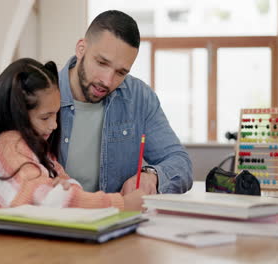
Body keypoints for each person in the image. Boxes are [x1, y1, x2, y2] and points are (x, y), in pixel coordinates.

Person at [0, 58, 145, 230]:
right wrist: (122, 204)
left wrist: (65, 187)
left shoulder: (39, 151)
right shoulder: (10, 145)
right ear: (18, 113)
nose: (55, 125)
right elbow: (51, 201)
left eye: (56, 114)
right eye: (45, 117)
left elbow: (67, 185)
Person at [58, 10, 193, 195]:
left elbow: (180, 162)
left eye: (121, 72)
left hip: (115, 219)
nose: (107, 81)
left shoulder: (139, 98)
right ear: (81, 49)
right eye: (102, 63)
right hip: (50, 219)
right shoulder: (38, 92)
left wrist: (151, 176)